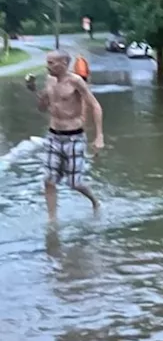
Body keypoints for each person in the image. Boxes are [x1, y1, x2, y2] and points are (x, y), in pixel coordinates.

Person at [26, 49, 105, 221]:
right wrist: (33, 91)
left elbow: (96, 106)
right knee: (48, 180)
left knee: (74, 183)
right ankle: (52, 220)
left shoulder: (75, 81)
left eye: (52, 62)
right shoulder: (49, 80)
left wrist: (99, 136)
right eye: (47, 62)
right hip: (53, 135)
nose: (48, 66)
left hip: (74, 136)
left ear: (64, 63)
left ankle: (95, 201)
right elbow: (42, 107)